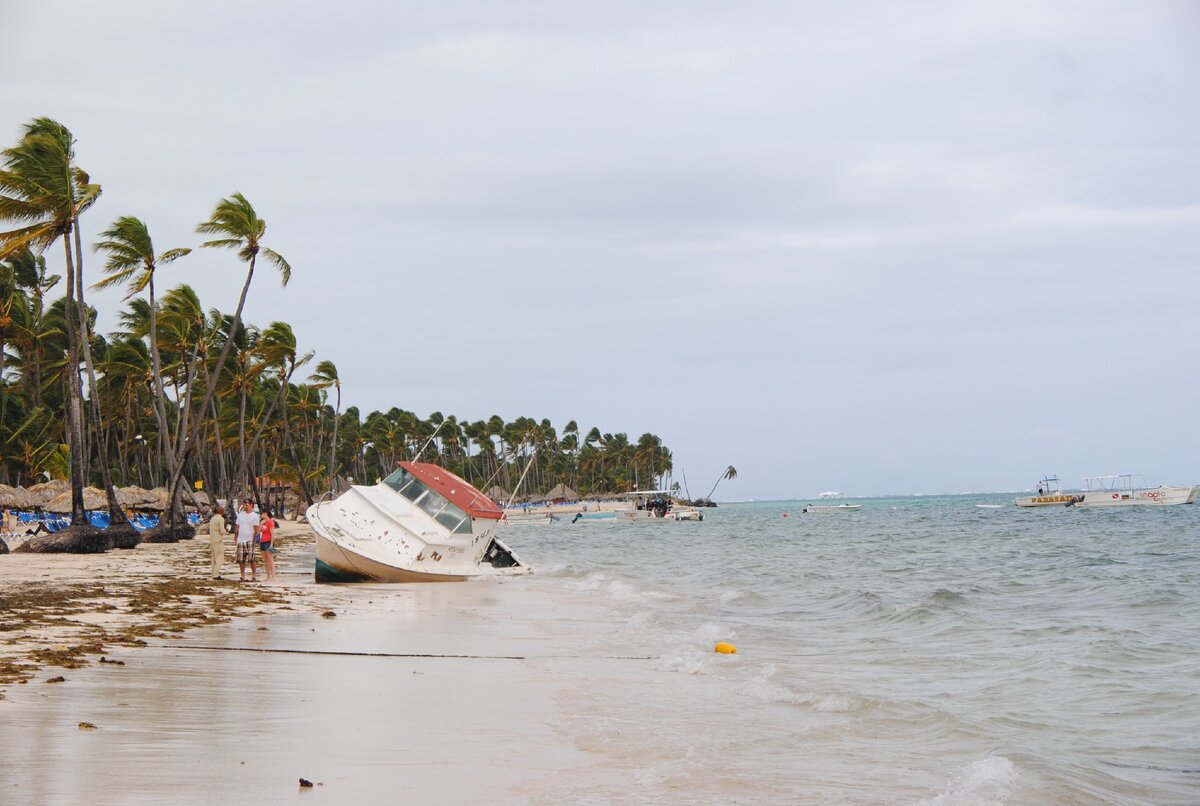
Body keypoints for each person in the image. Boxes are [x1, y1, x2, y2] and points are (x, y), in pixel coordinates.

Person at [234, 499, 261, 582]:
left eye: (247, 505)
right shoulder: (240, 515)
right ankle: (242, 575)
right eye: (244, 504)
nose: (245, 506)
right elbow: (237, 527)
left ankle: (253, 576)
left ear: (251, 505)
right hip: (241, 540)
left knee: (252, 559)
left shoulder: (254, 516)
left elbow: (256, 529)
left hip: (250, 540)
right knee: (241, 560)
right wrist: (236, 538)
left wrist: (254, 541)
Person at [259, 507, 279, 582]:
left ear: (265, 514)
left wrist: (271, 544)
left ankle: (273, 576)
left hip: (268, 541)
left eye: (262, 513)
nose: (261, 515)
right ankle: (268, 576)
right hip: (262, 541)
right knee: (265, 561)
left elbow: (272, 534)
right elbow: (258, 531)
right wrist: (260, 524)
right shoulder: (262, 522)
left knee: (271, 560)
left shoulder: (270, 522)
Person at [208, 506, 228, 579]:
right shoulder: (221, 519)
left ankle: (213, 573)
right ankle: (216, 574)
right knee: (219, 557)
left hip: (212, 540)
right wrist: (227, 530)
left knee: (213, 557)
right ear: (221, 511)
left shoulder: (212, 519)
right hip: (218, 540)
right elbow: (222, 531)